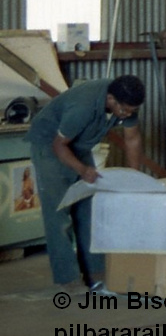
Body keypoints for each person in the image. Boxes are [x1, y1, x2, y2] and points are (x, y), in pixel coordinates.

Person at [24, 75, 146, 291]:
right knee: (59, 213)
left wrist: (133, 177)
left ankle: (95, 272)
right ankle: (68, 279)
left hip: (78, 145)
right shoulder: (84, 106)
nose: (128, 115)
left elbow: (132, 139)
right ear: (111, 99)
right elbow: (59, 145)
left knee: (89, 210)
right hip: (49, 145)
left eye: (132, 111)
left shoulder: (126, 104)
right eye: (125, 110)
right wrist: (82, 170)